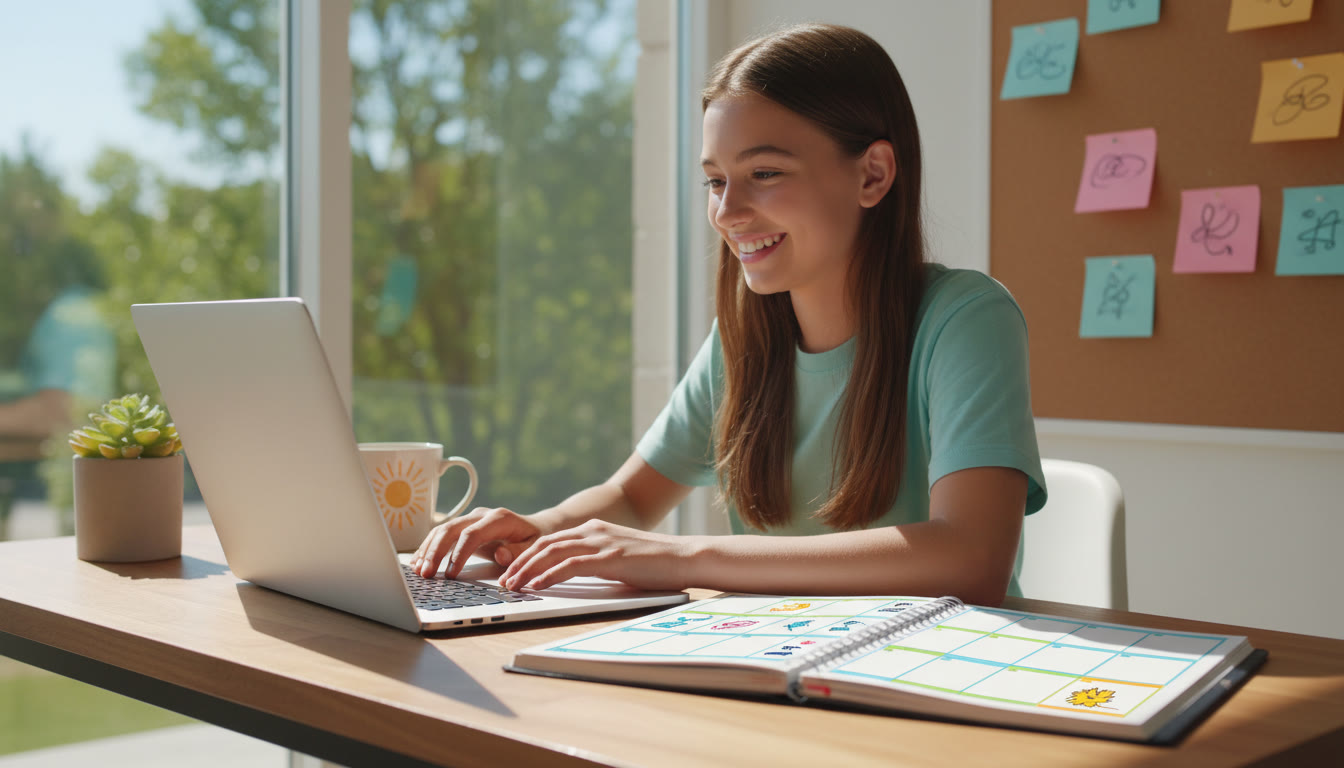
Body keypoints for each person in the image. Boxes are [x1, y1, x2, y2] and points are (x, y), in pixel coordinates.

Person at [412, 22, 1046, 606]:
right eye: (716, 181)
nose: (727, 212)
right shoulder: (745, 337)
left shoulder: (965, 320)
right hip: (776, 661)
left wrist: (682, 557)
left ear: (873, 175)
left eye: (764, 172)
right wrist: (539, 528)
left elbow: (971, 558)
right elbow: (631, 496)